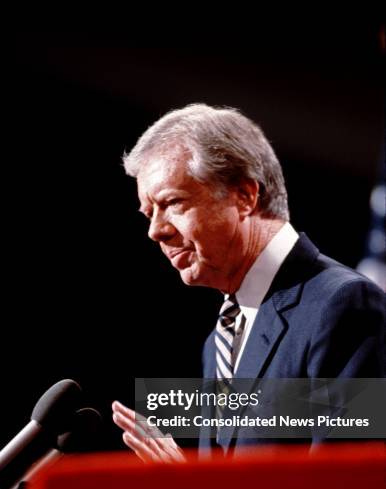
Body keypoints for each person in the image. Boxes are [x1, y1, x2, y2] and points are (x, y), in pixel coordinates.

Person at [112, 103, 386, 462]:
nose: (155, 231)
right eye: (149, 214)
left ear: (244, 196)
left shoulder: (345, 305)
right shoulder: (218, 342)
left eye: (172, 203)